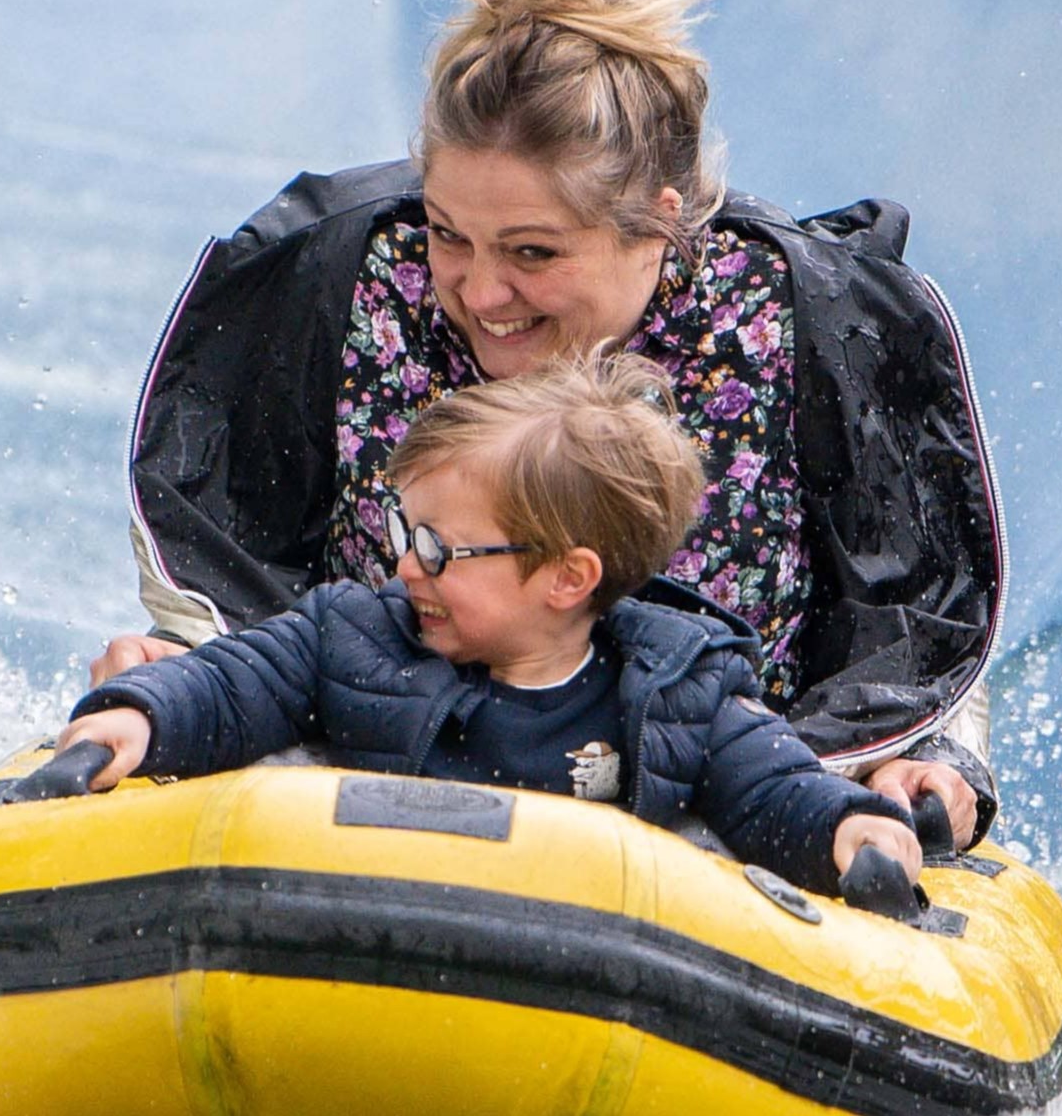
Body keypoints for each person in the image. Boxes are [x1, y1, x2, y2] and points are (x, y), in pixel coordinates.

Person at [97, 0, 1005, 847]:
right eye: (450, 235)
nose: (480, 292)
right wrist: (181, 669)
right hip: (363, 796)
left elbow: (918, 616)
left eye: (533, 253)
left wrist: (936, 757)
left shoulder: (808, 320)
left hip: (722, 820)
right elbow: (226, 560)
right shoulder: (345, 277)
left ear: (659, 219)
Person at [62, 356, 923, 891]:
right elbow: (230, 684)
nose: (405, 565)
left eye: (438, 547)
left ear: (564, 576)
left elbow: (772, 789)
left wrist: (848, 828)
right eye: (402, 533)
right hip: (354, 917)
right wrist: (141, 714)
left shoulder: (676, 691)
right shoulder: (353, 634)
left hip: (574, 971)